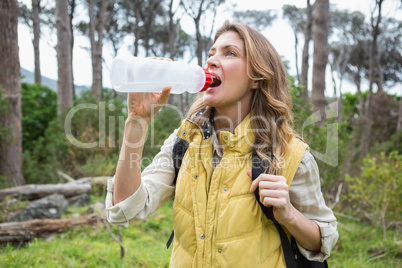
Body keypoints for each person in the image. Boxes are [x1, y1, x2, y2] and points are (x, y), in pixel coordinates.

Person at [105, 21, 338, 267]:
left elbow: (322, 241)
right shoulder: (184, 140)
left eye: (230, 53)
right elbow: (125, 207)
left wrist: (290, 215)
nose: (212, 61)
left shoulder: (291, 154)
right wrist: (137, 121)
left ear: (256, 78)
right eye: (211, 53)